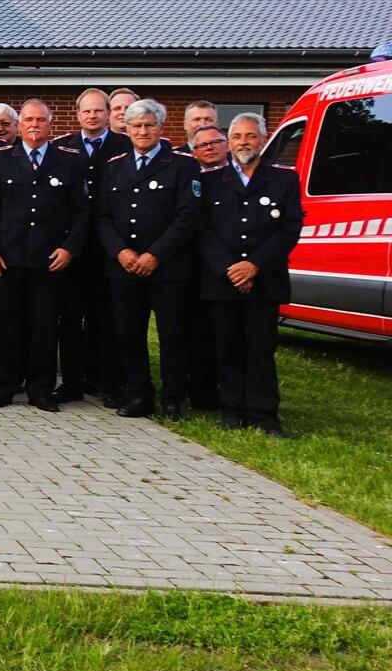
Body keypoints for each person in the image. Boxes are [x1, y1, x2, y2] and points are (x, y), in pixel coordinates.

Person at [0, 99, 89, 412]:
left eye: (40, 120)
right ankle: (2, 386)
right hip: (8, 258)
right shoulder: (0, 159)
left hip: (49, 259)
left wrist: (69, 248)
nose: (34, 125)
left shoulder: (68, 161)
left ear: (50, 124)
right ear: (20, 125)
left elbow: (81, 212)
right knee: (5, 325)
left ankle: (41, 389)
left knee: (43, 327)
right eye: (28, 120)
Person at [94, 98, 201, 419]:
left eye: (149, 125)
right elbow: (101, 216)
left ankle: (172, 399)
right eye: (136, 125)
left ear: (160, 128)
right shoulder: (114, 166)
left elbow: (187, 216)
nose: (142, 131)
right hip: (124, 269)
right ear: (126, 129)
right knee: (128, 336)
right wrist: (121, 251)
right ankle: (140, 394)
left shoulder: (183, 164)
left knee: (172, 338)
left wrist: (155, 254)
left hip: (167, 269)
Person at [197, 113, 300, 435]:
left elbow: (289, 228)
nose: (244, 142)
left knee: (260, 350)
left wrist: (254, 265)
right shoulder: (212, 181)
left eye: (251, 136)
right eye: (238, 136)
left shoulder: (284, 180)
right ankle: (233, 410)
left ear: (263, 140)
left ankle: (265, 414)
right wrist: (230, 268)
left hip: (264, 280)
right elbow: (201, 230)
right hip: (222, 281)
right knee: (227, 348)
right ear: (229, 143)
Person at [55, 88, 131, 406]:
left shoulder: (125, 146)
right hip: (73, 247)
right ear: (77, 114)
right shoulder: (61, 147)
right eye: (86, 111)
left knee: (107, 318)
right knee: (70, 318)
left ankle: (109, 382)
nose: (92, 116)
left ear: (109, 112)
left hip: (108, 248)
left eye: (99, 111)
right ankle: (73, 381)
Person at [181, 124, 229, 411]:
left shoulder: (239, 178)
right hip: (193, 270)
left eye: (216, 142)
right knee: (196, 336)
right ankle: (202, 395)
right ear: (193, 151)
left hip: (228, 271)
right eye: (202, 145)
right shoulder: (191, 178)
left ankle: (232, 393)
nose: (209, 148)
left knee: (226, 337)